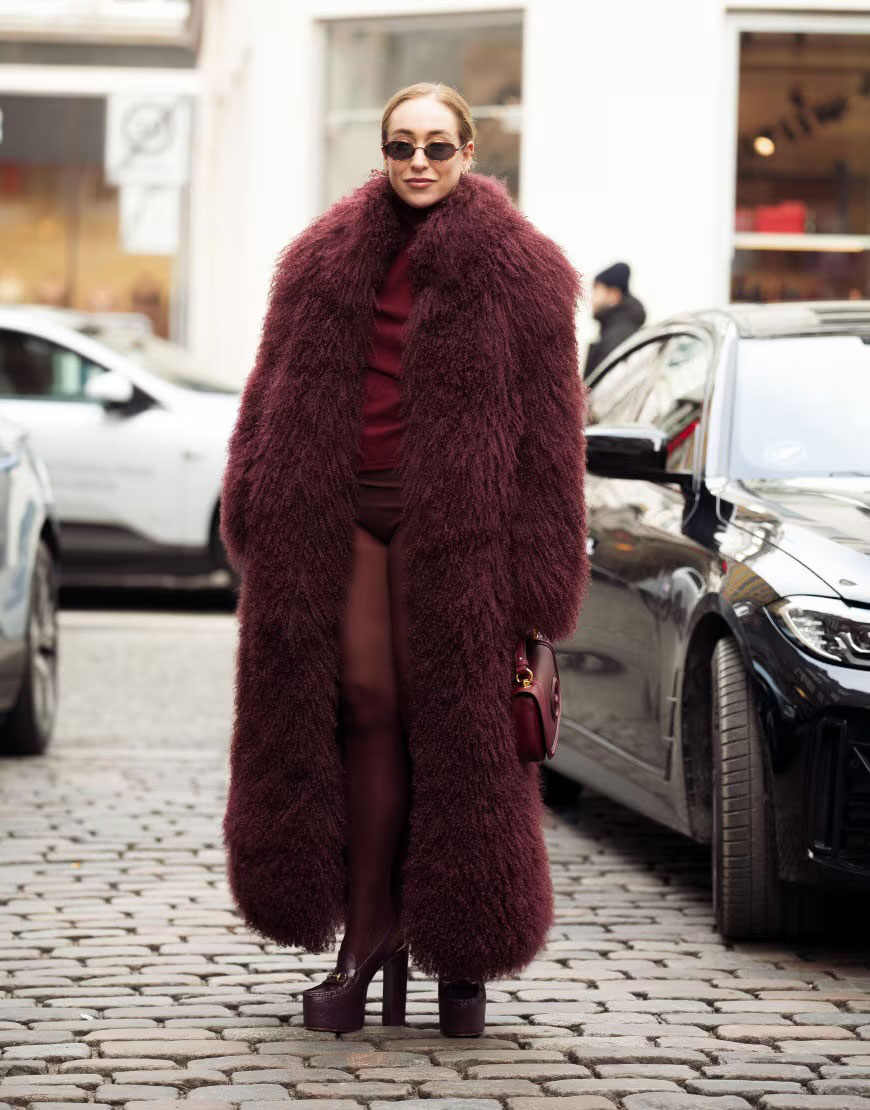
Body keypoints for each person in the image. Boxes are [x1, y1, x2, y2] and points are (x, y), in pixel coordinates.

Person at [219, 82, 589, 1039]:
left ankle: (462, 952)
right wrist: (254, 495)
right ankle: (372, 930)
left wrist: (543, 575)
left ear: (469, 152)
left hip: (464, 534)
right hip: (340, 515)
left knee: (466, 733)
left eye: (436, 146)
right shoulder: (316, 263)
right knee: (370, 708)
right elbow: (268, 389)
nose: (417, 162)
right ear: (381, 154)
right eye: (400, 146)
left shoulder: (527, 272)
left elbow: (553, 441)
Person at [583, 261, 646, 379]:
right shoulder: (619, 332)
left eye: (597, 291)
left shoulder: (617, 338)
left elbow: (599, 393)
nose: (592, 299)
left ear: (614, 295)